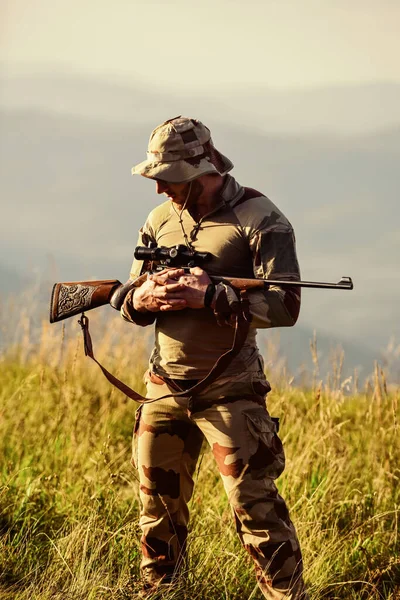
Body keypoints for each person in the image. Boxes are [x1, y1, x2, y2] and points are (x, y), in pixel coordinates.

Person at [121, 116, 308, 599]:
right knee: (156, 512)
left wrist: (214, 297)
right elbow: (131, 291)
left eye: (170, 176)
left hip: (231, 393)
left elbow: (286, 305)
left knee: (256, 510)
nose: (160, 187)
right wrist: (139, 301)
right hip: (162, 389)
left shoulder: (262, 218)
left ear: (204, 168)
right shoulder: (160, 219)